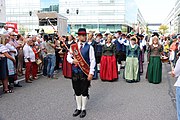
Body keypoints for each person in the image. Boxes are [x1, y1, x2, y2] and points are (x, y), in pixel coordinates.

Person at [67, 28, 96, 118]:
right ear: (78, 36)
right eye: (82, 35)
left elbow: (93, 60)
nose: (84, 37)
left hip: (85, 72)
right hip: (75, 72)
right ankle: (78, 108)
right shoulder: (73, 47)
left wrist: (91, 72)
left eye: (85, 35)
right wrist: (73, 61)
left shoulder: (89, 47)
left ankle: (83, 108)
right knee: (76, 90)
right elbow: (68, 57)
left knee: (84, 91)